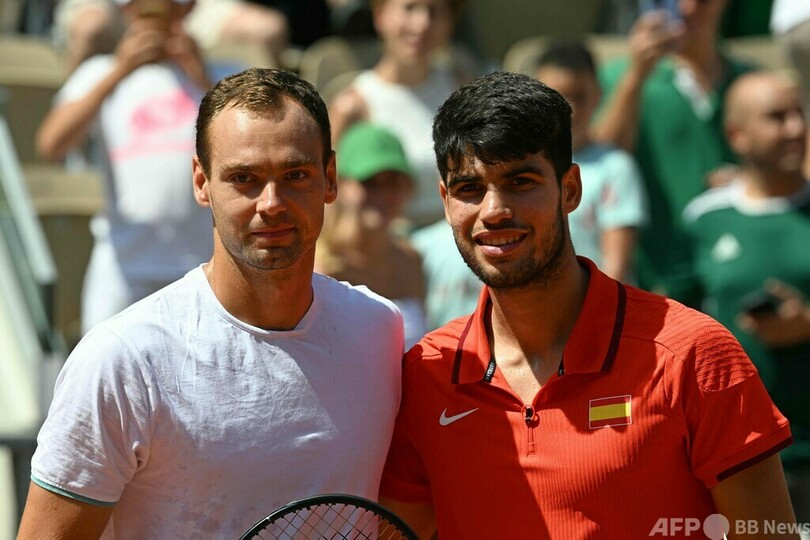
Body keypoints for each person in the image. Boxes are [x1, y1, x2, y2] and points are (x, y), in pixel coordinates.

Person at [378, 71, 797, 539]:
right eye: (469, 189)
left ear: (571, 190)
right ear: (445, 201)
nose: (493, 210)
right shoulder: (426, 372)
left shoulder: (695, 355)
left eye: (520, 181)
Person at [17, 68, 404, 539]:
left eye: (295, 175)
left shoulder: (379, 330)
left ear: (329, 179)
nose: (271, 203)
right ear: (201, 182)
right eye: (244, 178)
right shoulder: (122, 360)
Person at [672, 70, 810, 524]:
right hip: (736, 457)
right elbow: (671, 322)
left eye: (799, 114)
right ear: (737, 135)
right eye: (777, 117)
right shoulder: (704, 219)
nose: (796, 128)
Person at [36, 0, 218, 333]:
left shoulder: (222, 74)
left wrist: (201, 75)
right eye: (141, 10)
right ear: (125, 14)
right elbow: (51, 144)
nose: (153, 21)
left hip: (204, 269)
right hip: (121, 267)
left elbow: (251, 141)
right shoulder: (98, 72)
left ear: (187, 10)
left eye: (166, 10)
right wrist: (119, 72)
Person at [593, 0, 752, 294]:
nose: (688, 8)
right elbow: (597, 161)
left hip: (740, 269)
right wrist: (635, 76)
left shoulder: (751, 80)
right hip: (658, 276)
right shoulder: (621, 77)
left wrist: (750, 182)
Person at [329, 0, 470, 229]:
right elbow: (331, 201)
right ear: (380, 15)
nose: (422, 24)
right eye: (409, 8)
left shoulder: (461, 87)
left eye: (434, 12)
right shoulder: (353, 105)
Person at [535, 39, 647, 284]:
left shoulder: (616, 167)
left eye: (579, 97)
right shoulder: (520, 165)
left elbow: (615, 267)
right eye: (557, 97)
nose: (570, 109)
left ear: (598, 95)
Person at [315, 122, 427, 349]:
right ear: (339, 183)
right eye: (370, 182)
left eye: (392, 183)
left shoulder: (411, 261)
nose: (383, 195)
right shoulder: (319, 268)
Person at [51, 0, 288, 74]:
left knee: (266, 29)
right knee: (92, 27)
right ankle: (72, 116)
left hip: (192, 7)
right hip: (108, 7)